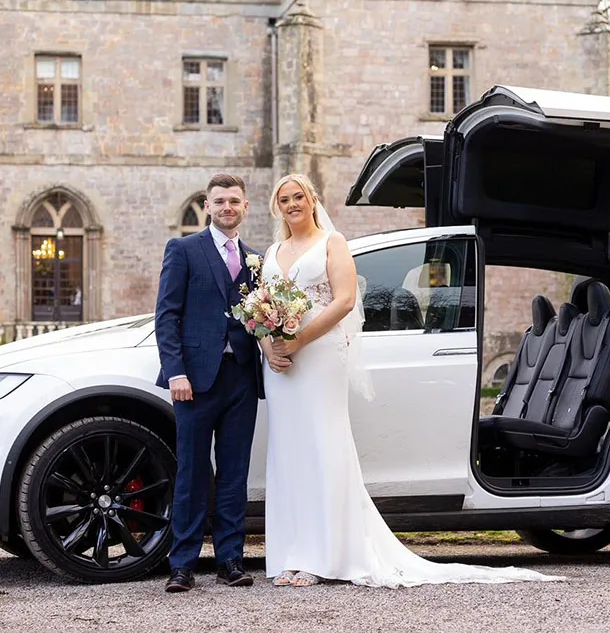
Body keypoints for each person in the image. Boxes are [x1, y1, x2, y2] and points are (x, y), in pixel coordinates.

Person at [259, 174, 564, 588]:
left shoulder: (333, 243)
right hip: (281, 366)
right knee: (288, 455)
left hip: (319, 357)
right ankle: (292, 553)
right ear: (278, 206)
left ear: (313, 200)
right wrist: (270, 347)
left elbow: (346, 300)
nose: (292, 203)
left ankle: (324, 556)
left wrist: (296, 340)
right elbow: (260, 309)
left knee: (321, 448)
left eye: (299, 196)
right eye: (284, 199)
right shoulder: (274, 251)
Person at [154, 173, 289, 593]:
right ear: (207, 206)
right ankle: (183, 564)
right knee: (193, 472)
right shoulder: (184, 249)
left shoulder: (254, 259)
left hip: (242, 380)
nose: (228, 207)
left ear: (246, 207)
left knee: (234, 473)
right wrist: (176, 372)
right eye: (220, 201)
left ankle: (231, 559)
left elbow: (263, 320)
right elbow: (167, 315)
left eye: (235, 201)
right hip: (194, 380)